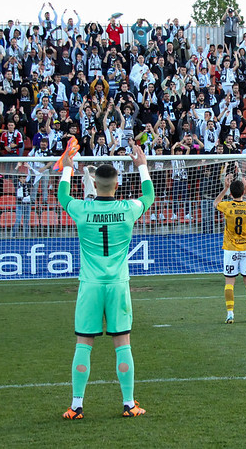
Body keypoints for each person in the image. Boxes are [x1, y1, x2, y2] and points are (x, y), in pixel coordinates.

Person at [56, 138, 155, 420]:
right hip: (118, 285)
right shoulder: (127, 208)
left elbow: (63, 196)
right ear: (117, 185)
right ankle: (129, 404)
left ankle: (76, 406)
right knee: (122, 343)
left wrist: (68, 167)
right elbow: (149, 196)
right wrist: (142, 166)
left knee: (83, 343)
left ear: (94, 184)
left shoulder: (82, 209)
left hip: (90, 285)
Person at [213, 173, 246, 323]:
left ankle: (230, 314)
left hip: (230, 249)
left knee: (229, 282)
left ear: (231, 193)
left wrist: (225, 188)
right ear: (243, 192)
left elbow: (215, 203)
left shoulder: (227, 206)